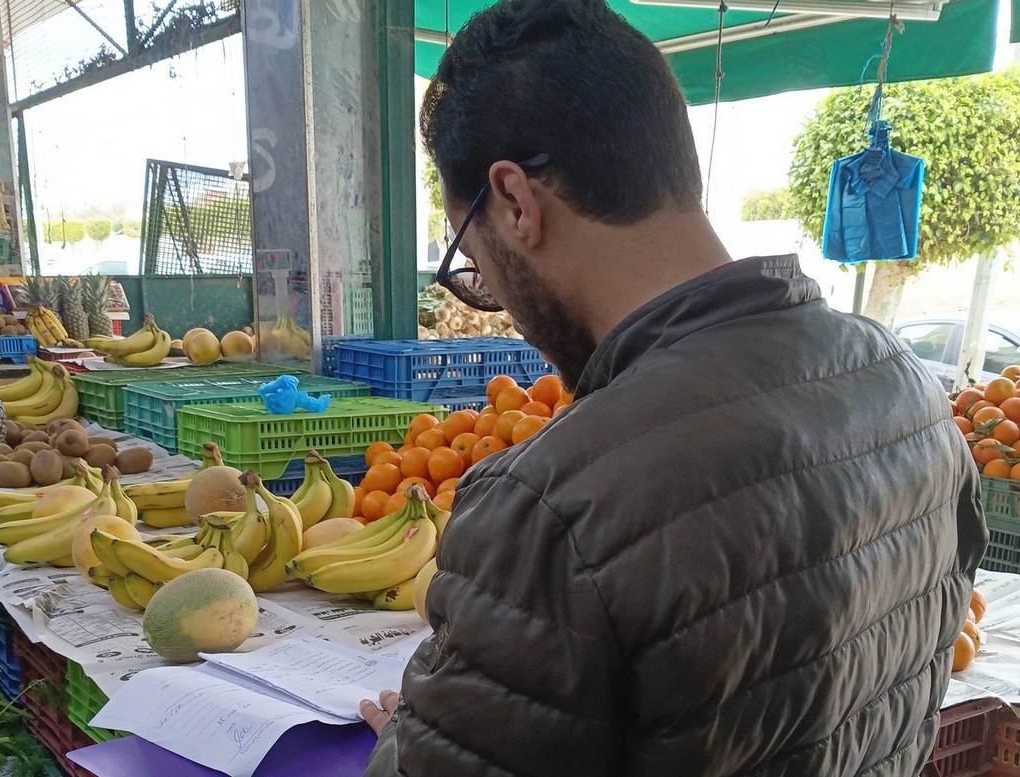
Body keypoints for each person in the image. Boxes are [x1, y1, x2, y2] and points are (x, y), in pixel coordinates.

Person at [359, 1, 987, 775]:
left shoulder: (552, 504)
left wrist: (410, 743)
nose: (504, 308)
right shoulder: (912, 392)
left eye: (474, 266)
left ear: (516, 201)